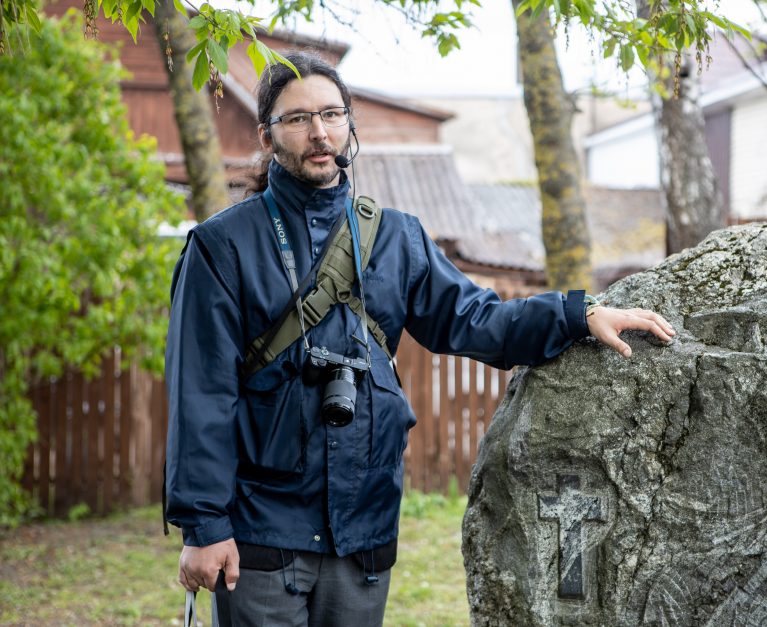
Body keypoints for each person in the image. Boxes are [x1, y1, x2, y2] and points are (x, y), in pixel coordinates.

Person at [164, 50, 676, 626]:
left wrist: (578, 316)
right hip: (262, 530)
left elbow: (477, 319)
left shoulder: (396, 237)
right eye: (298, 118)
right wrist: (204, 527)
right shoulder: (222, 246)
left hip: (362, 530)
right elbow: (200, 393)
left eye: (332, 114)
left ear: (350, 124)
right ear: (266, 134)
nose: (318, 132)